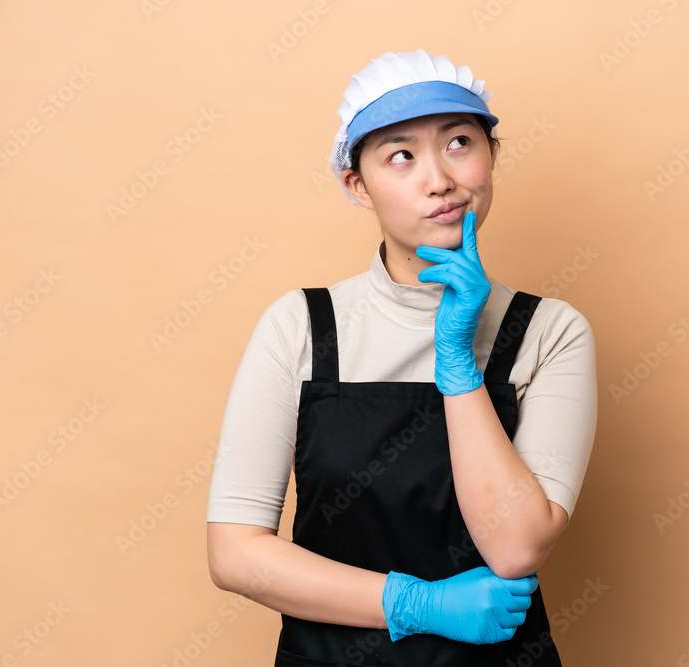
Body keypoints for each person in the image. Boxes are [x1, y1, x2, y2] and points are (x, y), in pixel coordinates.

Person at [206, 49, 597, 666]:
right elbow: (235, 553)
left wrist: (457, 360)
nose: (439, 178)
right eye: (402, 155)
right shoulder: (302, 328)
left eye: (460, 141)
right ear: (356, 185)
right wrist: (418, 604)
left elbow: (517, 547)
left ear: (492, 157)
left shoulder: (550, 332)